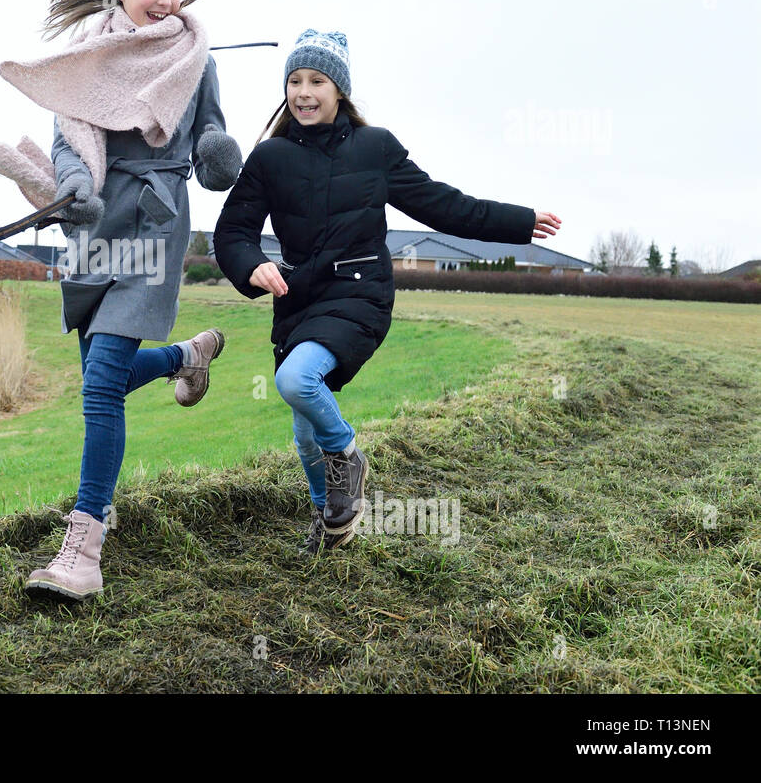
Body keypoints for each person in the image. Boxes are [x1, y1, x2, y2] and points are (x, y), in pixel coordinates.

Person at [213, 28, 562, 554]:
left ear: (340, 91)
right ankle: (332, 523)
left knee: (295, 380)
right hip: (299, 299)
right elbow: (232, 232)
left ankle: (349, 455)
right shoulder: (269, 159)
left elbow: (445, 205)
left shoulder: (375, 149)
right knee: (305, 431)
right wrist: (253, 266)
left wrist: (520, 221)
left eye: (317, 80)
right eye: (294, 80)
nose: (303, 92)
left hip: (360, 293)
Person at [0, 0, 244, 600]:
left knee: (101, 386)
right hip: (95, 228)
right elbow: (71, 140)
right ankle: (185, 358)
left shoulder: (198, 59)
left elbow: (213, 129)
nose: (166, 1)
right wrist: (72, 188)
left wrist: (219, 155)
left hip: (156, 224)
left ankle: (84, 547)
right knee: (110, 375)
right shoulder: (89, 59)